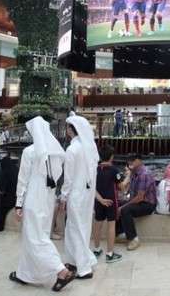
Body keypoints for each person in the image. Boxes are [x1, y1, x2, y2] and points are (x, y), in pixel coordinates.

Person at [10, 116, 74, 291]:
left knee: (35, 238)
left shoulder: (29, 151)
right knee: (37, 236)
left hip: (32, 199)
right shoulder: (56, 153)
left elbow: (22, 179)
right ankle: (26, 273)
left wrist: (19, 203)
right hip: (47, 200)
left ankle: (61, 270)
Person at [58, 115, 99, 279]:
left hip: (75, 195)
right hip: (87, 194)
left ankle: (84, 268)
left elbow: (68, 178)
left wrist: (63, 197)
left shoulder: (72, 149)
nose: (67, 130)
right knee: (80, 228)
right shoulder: (89, 148)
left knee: (75, 229)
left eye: (68, 127)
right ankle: (75, 260)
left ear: (72, 130)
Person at [92, 145, 126, 263]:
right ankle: (110, 254)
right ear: (111, 156)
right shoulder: (113, 170)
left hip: (98, 200)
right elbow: (123, 187)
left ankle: (97, 250)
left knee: (97, 224)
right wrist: (129, 175)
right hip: (111, 200)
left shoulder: (95, 169)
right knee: (111, 226)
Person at [118, 153, 157, 251]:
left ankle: (134, 239)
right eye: (129, 160)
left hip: (148, 204)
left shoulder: (144, 174)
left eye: (133, 160)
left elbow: (140, 197)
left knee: (125, 210)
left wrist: (123, 206)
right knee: (116, 203)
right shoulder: (134, 172)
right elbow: (126, 188)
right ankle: (120, 233)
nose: (130, 162)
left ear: (139, 161)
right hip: (137, 200)